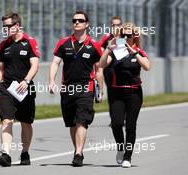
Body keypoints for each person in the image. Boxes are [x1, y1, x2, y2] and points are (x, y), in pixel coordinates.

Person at [49, 10, 103, 167]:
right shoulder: (64, 43)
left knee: (81, 120)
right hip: (67, 89)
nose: (76, 23)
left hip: (86, 87)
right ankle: (76, 150)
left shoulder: (94, 45)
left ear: (87, 24)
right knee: (72, 123)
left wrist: (100, 90)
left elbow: (99, 69)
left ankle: (79, 153)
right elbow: (55, 63)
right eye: (74, 20)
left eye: (80, 20)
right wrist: (52, 80)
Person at [100, 22, 150, 168]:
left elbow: (147, 66)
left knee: (130, 126)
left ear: (134, 36)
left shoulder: (139, 51)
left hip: (134, 93)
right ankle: (120, 147)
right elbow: (102, 64)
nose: (126, 37)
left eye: (129, 35)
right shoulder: (116, 51)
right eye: (124, 35)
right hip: (117, 92)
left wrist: (132, 50)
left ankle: (128, 157)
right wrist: (107, 50)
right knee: (116, 123)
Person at [0, 12, 39, 167]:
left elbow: (35, 65)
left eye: (8, 26)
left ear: (17, 26)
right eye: (4, 26)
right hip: (7, 88)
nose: (5, 29)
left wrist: (26, 81)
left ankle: (25, 152)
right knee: (7, 120)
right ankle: (6, 154)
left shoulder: (29, 42)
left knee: (26, 122)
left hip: (25, 87)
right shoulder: (3, 45)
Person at [99, 16, 123, 127]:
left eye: (118, 25)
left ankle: (124, 115)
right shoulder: (106, 37)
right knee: (112, 94)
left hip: (123, 70)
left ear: (121, 26)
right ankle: (114, 118)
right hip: (109, 70)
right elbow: (100, 52)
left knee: (123, 94)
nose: (116, 27)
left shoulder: (125, 37)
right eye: (113, 25)